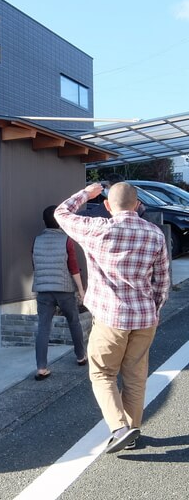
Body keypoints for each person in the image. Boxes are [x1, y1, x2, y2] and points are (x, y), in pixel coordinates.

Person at [55, 182, 169, 453]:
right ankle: (132, 432)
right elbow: (162, 282)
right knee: (135, 376)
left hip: (110, 318)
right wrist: (154, 309)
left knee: (103, 373)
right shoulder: (154, 234)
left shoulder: (97, 228)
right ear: (138, 204)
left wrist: (87, 193)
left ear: (107, 206)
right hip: (144, 318)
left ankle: (120, 428)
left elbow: (61, 213)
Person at [32, 205, 86, 381]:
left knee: (43, 328)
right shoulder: (66, 240)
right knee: (74, 322)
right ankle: (80, 356)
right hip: (63, 289)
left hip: (43, 290)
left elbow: (35, 265)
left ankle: (41, 367)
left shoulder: (36, 240)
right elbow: (73, 267)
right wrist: (81, 290)